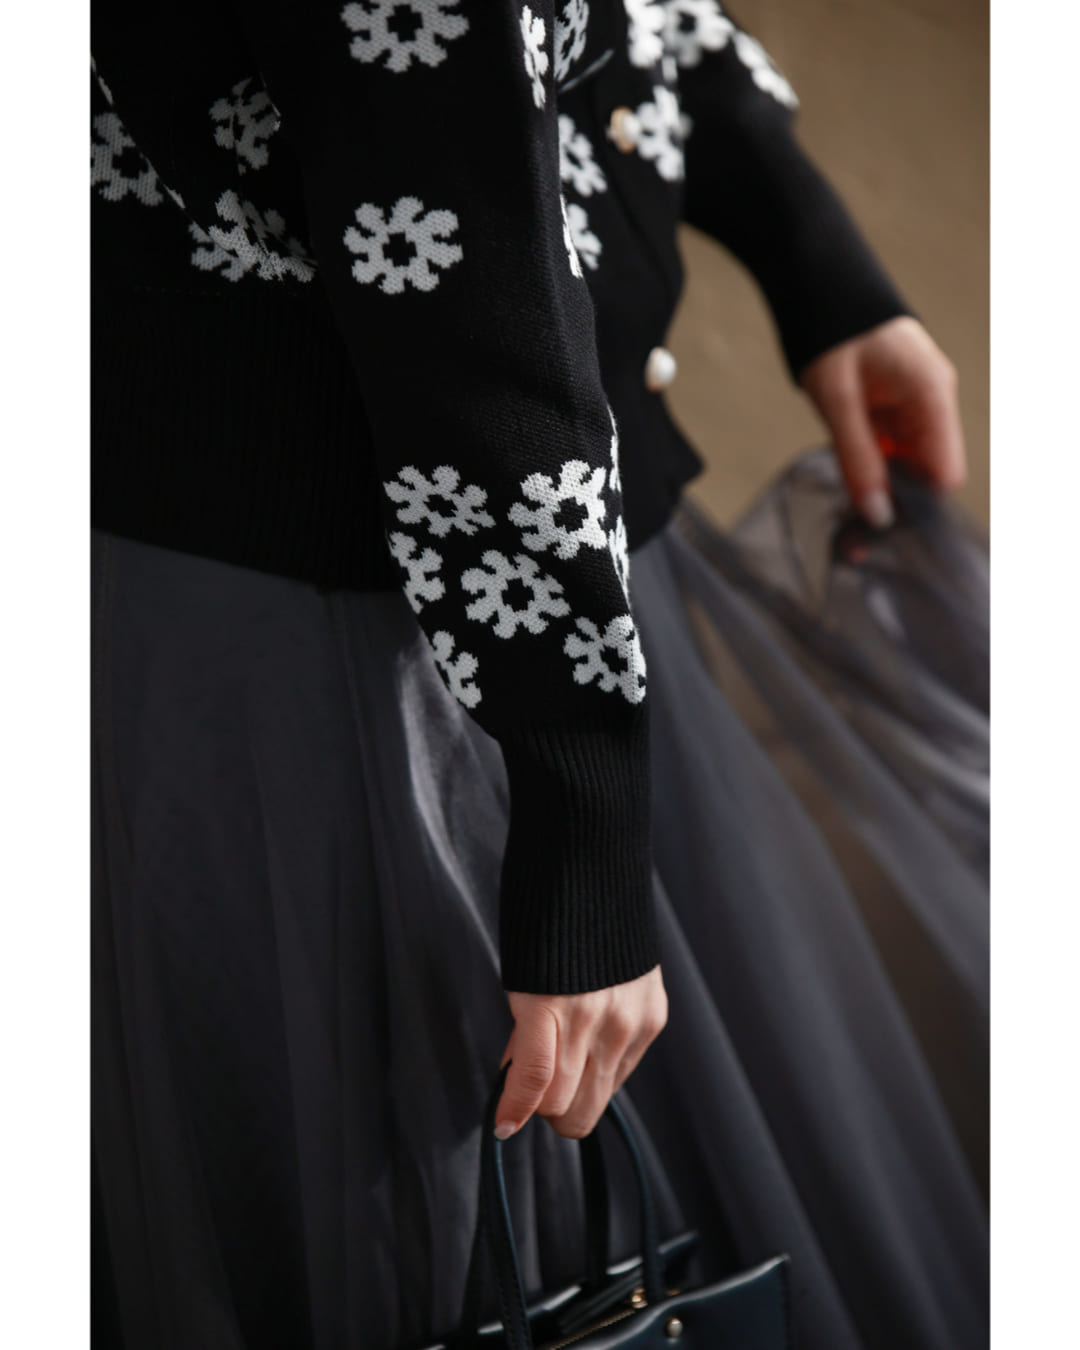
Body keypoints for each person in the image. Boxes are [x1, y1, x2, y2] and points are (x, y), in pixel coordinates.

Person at [90, 3, 988, 1348]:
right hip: (382, 658)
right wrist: (580, 833)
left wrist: (813, 254)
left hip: (524, 597)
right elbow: (457, 258)